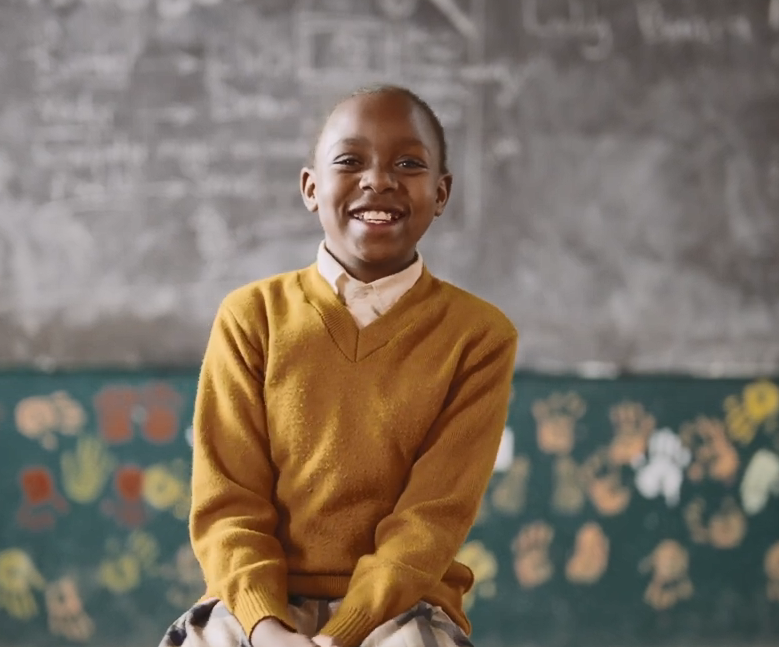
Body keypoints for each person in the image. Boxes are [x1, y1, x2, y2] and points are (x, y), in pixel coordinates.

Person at [159, 84, 518, 647]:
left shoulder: (478, 337)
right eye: (350, 162)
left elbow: (431, 519)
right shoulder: (252, 317)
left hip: (403, 607)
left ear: (442, 193)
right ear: (311, 188)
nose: (378, 180)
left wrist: (340, 636)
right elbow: (229, 504)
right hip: (255, 604)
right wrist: (268, 629)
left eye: (409, 163)